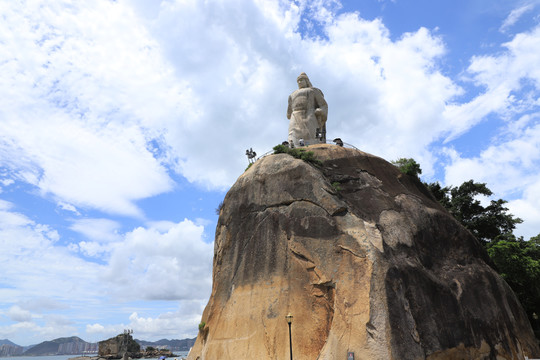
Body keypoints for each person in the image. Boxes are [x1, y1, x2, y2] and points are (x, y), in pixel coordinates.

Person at [287, 73, 328, 147]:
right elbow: (288, 113)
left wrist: (320, 111)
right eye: (298, 81)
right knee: (293, 135)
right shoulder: (292, 95)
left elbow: (323, 105)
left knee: (311, 134)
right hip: (295, 115)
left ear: (306, 81)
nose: (299, 82)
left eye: (301, 80)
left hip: (309, 114)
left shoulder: (313, 91)